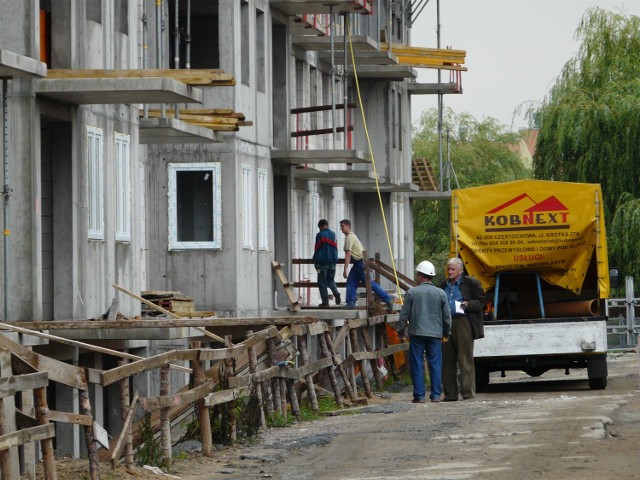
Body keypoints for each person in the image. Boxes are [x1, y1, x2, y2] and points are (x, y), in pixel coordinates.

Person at [398, 261, 451, 403]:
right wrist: (446, 332)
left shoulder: (411, 293)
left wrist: (400, 331)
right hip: (435, 335)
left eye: (417, 274)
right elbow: (447, 316)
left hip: (417, 334)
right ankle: (435, 395)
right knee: (435, 363)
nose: (416, 277)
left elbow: (404, 316)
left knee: (417, 364)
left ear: (421, 275)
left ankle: (419, 396)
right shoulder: (441, 293)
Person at [440, 257, 486, 401]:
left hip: (463, 322)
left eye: (453, 269)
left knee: (465, 358)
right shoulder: (443, 285)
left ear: (460, 271)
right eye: (448, 268)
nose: (449, 271)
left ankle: (468, 393)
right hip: (446, 323)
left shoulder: (471, 283)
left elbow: (481, 301)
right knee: (447, 360)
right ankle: (450, 394)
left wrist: (468, 304)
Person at [339, 219, 394, 310]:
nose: (341, 229)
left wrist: (345, 269)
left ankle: (387, 298)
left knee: (370, 284)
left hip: (360, 264)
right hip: (359, 264)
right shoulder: (353, 236)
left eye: (342, 226)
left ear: (348, 226)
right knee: (351, 282)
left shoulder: (350, 237)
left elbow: (348, 254)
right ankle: (350, 303)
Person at [312, 219, 341, 307]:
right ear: (327, 225)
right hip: (333, 262)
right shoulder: (333, 234)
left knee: (322, 283)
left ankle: (325, 303)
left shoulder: (320, 235)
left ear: (321, 226)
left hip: (323, 263)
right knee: (330, 280)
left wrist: (316, 262)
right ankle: (336, 292)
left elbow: (317, 249)